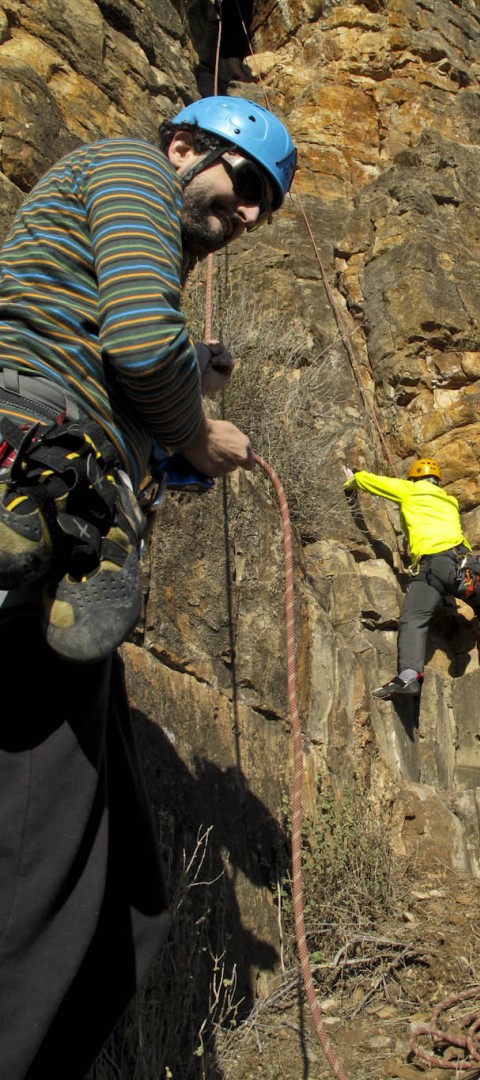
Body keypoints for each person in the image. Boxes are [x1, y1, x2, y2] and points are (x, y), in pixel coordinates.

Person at [0, 95, 296, 1078]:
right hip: (31, 442)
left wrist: (176, 416)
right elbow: (133, 341)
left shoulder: (151, 264)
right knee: (43, 874)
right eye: (243, 182)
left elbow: (133, 352)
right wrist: (198, 427)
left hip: (67, 485)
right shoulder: (127, 171)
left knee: (118, 888)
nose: (248, 213)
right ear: (182, 148)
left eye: (263, 204)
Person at [343, 457, 480, 699]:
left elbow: (377, 483)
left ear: (415, 478)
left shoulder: (411, 490)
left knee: (414, 619)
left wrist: (353, 479)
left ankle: (409, 676)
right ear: (437, 480)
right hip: (464, 568)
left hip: (432, 567)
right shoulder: (450, 502)